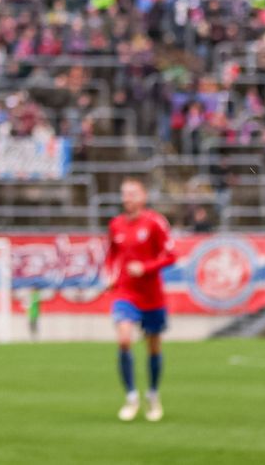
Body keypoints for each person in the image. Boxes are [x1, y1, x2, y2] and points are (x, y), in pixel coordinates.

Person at [108, 178, 176, 423]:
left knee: (153, 347)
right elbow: (111, 255)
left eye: (132, 193)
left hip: (152, 296)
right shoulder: (115, 225)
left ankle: (153, 394)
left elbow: (171, 256)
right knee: (124, 339)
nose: (127, 198)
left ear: (143, 196)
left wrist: (146, 267)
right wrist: (111, 274)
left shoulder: (155, 222)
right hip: (126, 293)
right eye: (124, 193)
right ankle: (131, 397)